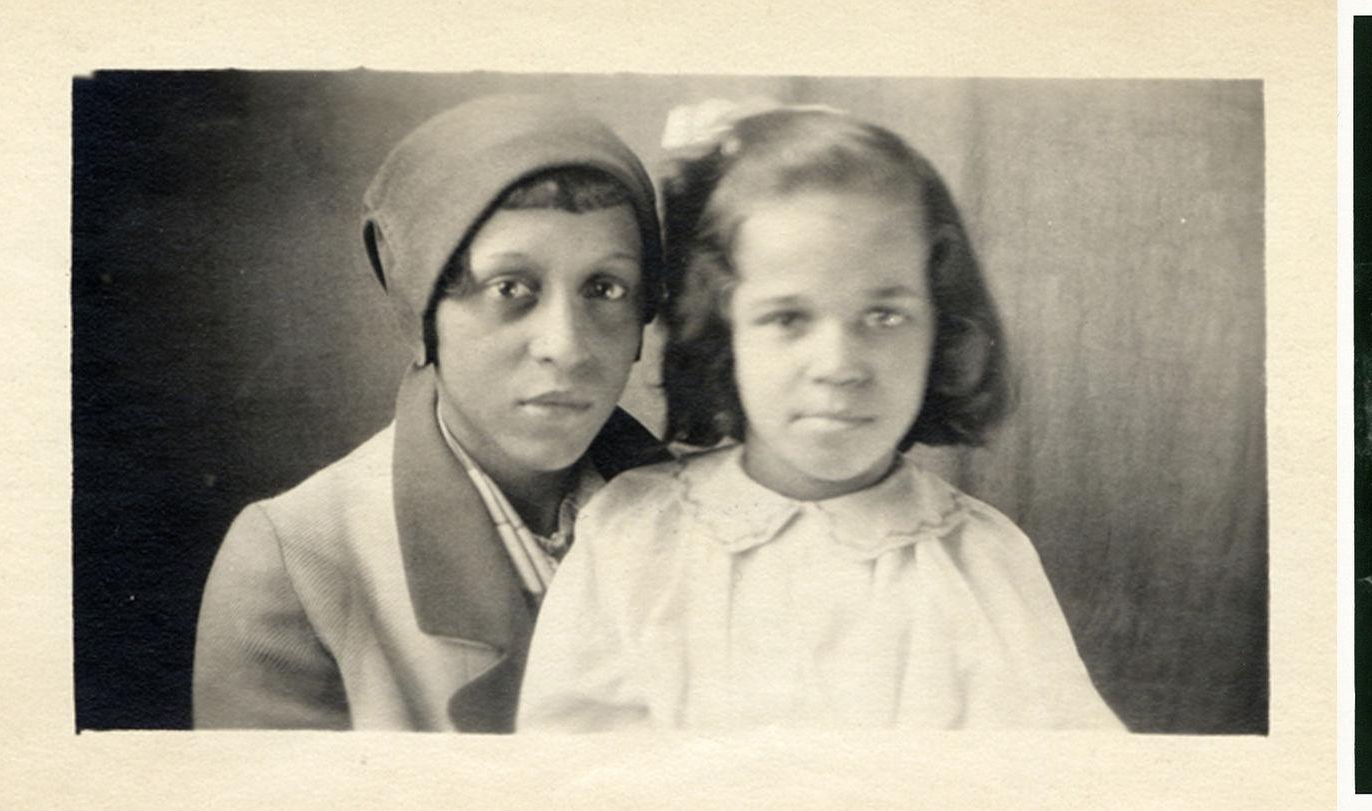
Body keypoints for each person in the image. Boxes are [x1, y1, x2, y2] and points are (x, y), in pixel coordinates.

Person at [516, 104, 1123, 731]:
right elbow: (568, 767)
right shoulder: (635, 536)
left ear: (939, 324)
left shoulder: (981, 562)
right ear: (725, 329)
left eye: (884, 316)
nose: (839, 365)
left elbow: (1062, 774)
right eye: (788, 319)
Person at [192, 95, 672, 731]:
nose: (567, 346)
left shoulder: (710, 513)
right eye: (511, 289)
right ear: (423, 312)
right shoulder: (299, 559)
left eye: (605, 289)